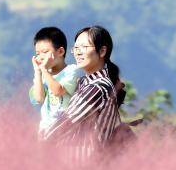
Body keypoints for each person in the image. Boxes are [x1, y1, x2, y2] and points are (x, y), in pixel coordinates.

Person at [43, 25, 127, 160]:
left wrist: (40, 145)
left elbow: (67, 123)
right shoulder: (85, 83)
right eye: (76, 48)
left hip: (86, 169)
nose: (78, 52)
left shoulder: (97, 88)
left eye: (84, 47)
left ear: (102, 51)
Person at [29, 26, 80, 138]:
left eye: (45, 52)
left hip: (65, 131)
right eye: (38, 53)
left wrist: (44, 70)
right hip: (45, 131)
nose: (41, 57)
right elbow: (38, 99)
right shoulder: (41, 75)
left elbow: (58, 90)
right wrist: (38, 72)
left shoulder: (71, 70)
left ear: (60, 51)